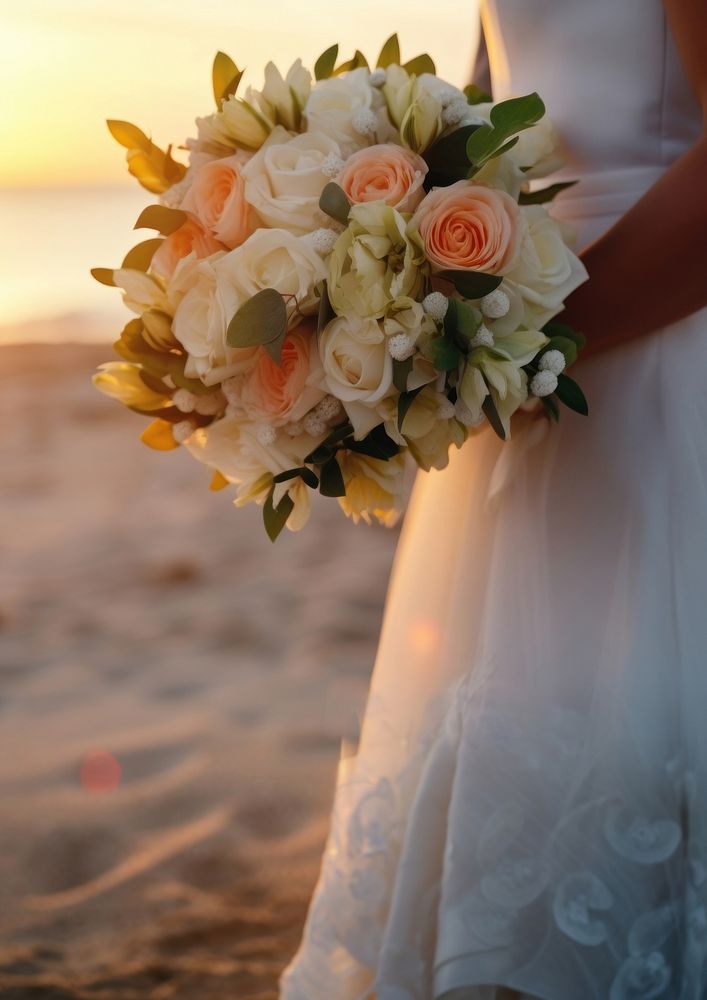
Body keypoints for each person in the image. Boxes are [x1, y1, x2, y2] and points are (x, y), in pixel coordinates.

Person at [281, 0, 707, 996]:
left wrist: (530, 345)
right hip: (524, 337)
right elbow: (487, 117)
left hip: (650, 342)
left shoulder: (552, 338)